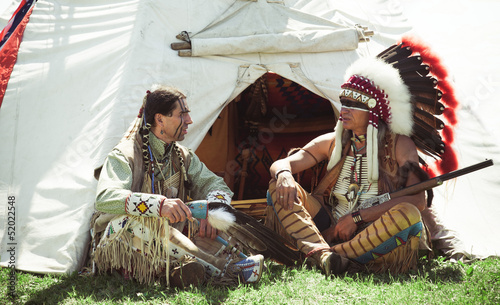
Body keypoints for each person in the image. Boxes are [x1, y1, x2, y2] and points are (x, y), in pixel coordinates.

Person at [266, 41, 452, 275]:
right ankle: (325, 254)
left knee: (408, 214)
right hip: (328, 225)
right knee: (277, 187)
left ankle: (330, 255)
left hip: (373, 229)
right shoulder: (333, 142)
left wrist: (357, 217)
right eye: (343, 102)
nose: (344, 110)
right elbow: (286, 163)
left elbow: (417, 199)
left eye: (354, 104)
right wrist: (284, 174)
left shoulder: (399, 145)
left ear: (375, 111)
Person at [90, 85, 263, 287]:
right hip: (124, 238)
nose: (189, 120)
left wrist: (212, 210)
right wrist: (159, 205)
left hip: (170, 238)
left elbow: (215, 184)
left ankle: (182, 271)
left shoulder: (181, 155)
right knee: (146, 224)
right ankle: (225, 271)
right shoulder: (124, 154)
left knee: (221, 219)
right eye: (182, 115)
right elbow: (105, 198)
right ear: (160, 119)